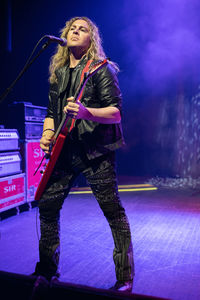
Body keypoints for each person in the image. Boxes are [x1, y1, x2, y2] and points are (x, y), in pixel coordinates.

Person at [33, 16, 134, 292]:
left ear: (92, 39)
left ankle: (124, 278)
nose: (76, 32)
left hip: (95, 151)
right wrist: (46, 134)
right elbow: (52, 113)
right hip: (65, 150)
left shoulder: (102, 69)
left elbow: (115, 113)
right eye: (72, 29)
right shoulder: (60, 72)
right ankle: (46, 270)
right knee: (48, 205)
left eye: (83, 29)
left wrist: (88, 112)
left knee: (112, 211)